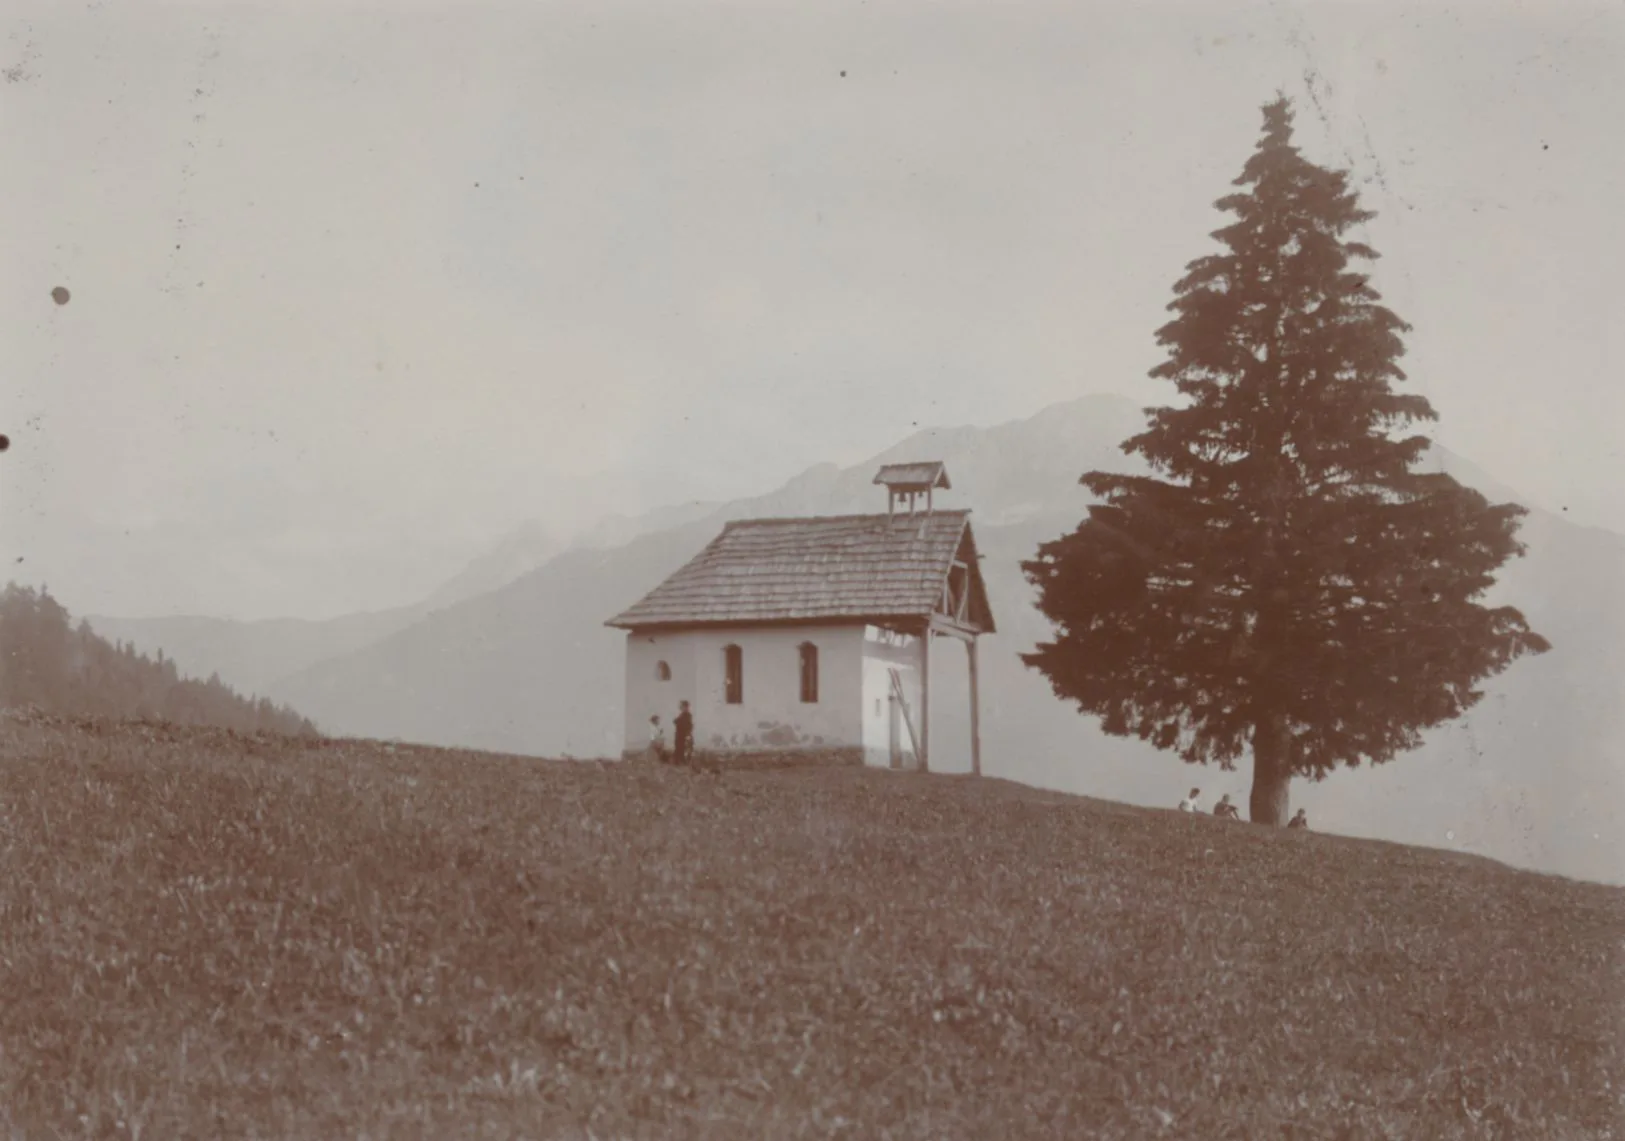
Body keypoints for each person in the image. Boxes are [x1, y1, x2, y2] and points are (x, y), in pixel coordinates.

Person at [673, 700, 694, 767]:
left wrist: (688, 734)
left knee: (684, 750)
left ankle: (683, 763)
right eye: (681, 706)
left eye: (683, 706)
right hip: (680, 736)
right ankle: (680, 762)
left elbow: (688, 726)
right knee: (680, 749)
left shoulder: (687, 715)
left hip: (684, 736)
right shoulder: (683, 715)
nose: (681, 708)